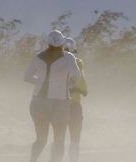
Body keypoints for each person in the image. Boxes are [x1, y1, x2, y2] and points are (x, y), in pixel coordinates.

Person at [24, 30, 81, 162]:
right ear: (62, 43)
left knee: (41, 140)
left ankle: (32, 160)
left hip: (38, 102)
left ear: (47, 43)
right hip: (60, 103)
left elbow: (27, 77)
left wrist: (40, 81)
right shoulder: (68, 57)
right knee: (59, 140)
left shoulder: (37, 57)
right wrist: (68, 84)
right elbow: (76, 75)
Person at [64, 37, 88, 162]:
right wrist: (83, 91)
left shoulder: (54, 62)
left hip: (57, 104)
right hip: (74, 104)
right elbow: (83, 85)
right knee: (75, 138)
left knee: (58, 137)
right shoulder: (78, 62)